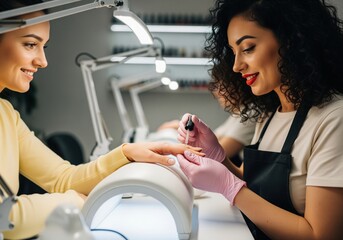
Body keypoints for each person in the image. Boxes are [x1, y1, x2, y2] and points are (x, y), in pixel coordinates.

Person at [0, 1, 203, 239]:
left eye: (43, 46)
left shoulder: (6, 114)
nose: (42, 61)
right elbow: (5, 218)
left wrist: (127, 153)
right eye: (30, 44)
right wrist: (73, 203)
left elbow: (63, 179)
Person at [177, 0, 343, 239]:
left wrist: (229, 187)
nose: (236, 66)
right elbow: (254, 186)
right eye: (233, 53)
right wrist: (219, 159)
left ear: (292, 39)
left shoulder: (333, 118)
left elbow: (320, 235)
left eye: (247, 48)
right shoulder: (270, 114)